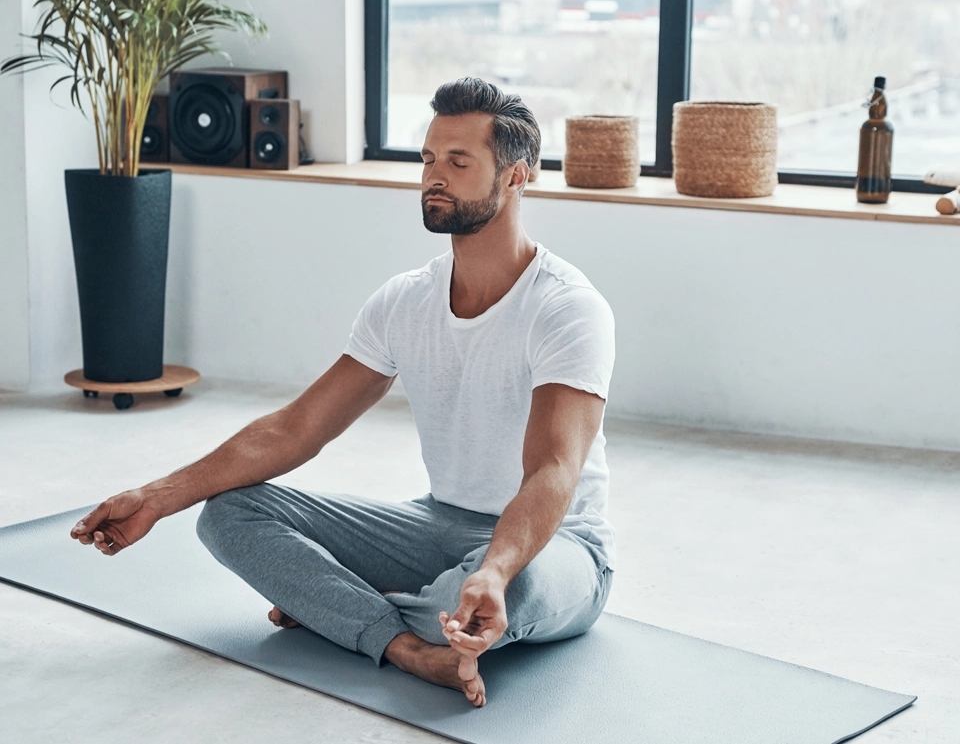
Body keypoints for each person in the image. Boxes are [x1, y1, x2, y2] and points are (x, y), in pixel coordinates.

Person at [69, 77, 616, 708]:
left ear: (518, 176)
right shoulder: (405, 300)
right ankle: (407, 647)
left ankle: (348, 609)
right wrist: (155, 497)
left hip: (558, 546)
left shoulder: (568, 308)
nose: (435, 176)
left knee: (506, 592)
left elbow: (553, 469)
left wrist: (492, 571)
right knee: (227, 513)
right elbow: (295, 429)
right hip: (436, 524)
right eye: (429, 159)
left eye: (459, 162)